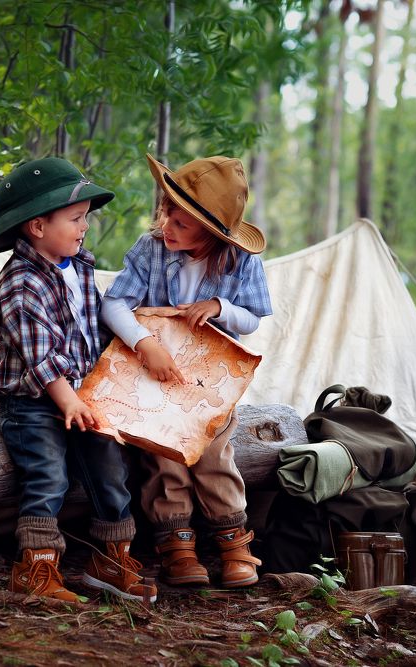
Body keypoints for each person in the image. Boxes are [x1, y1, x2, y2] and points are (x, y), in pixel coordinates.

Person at [0, 157, 157, 603]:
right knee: (47, 477)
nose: (85, 228)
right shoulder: (19, 286)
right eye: (76, 219)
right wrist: (69, 401)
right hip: (35, 401)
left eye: (85, 219)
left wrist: (104, 385)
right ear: (37, 227)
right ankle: (36, 570)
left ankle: (112, 559)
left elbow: (93, 329)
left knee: (110, 469)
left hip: (82, 394)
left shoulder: (78, 266)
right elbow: (39, 357)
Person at [101, 153, 272, 588]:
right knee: (163, 458)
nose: (167, 228)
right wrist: (145, 343)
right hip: (156, 375)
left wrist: (221, 307)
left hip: (209, 381)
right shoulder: (151, 247)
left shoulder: (240, 261)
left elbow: (252, 318)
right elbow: (114, 302)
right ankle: (177, 545)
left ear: (212, 233)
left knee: (215, 455)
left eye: (181, 224)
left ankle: (234, 543)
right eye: (167, 215)